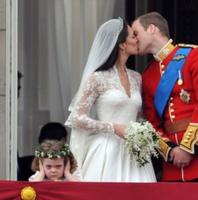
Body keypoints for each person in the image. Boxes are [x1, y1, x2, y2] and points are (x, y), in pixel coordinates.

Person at [132, 12, 198, 182]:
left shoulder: (194, 55)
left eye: (136, 33)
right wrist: (170, 151)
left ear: (152, 28)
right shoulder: (149, 74)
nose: (134, 39)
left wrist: (188, 148)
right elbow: (152, 123)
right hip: (173, 164)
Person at [65, 17, 156, 182]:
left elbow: (138, 116)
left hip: (134, 152)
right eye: (132, 36)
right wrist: (113, 127)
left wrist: (144, 132)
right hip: (106, 152)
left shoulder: (137, 77)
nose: (137, 39)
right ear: (122, 44)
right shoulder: (97, 78)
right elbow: (77, 118)